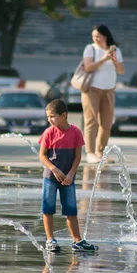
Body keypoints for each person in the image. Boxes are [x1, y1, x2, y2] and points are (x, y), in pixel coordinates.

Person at [39, 99, 98, 252]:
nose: (50, 120)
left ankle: (77, 241)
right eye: (48, 117)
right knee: (48, 208)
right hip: (50, 178)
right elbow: (42, 155)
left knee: (71, 209)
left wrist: (71, 174)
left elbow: (78, 156)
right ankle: (50, 239)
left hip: (68, 179)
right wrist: (54, 169)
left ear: (64, 115)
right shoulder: (49, 133)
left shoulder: (76, 132)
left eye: (52, 116)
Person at [81, 24, 125, 164]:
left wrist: (114, 61)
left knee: (106, 123)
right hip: (92, 89)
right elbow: (88, 67)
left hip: (109, 90)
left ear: (105, 36)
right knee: (91, 121)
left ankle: (100, 152)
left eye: (98, 36)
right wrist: (104, 59)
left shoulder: (115, 50)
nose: (95, 39)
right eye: (94, 36)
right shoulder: (91, 49)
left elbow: (121, 71)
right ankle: (90, 152)